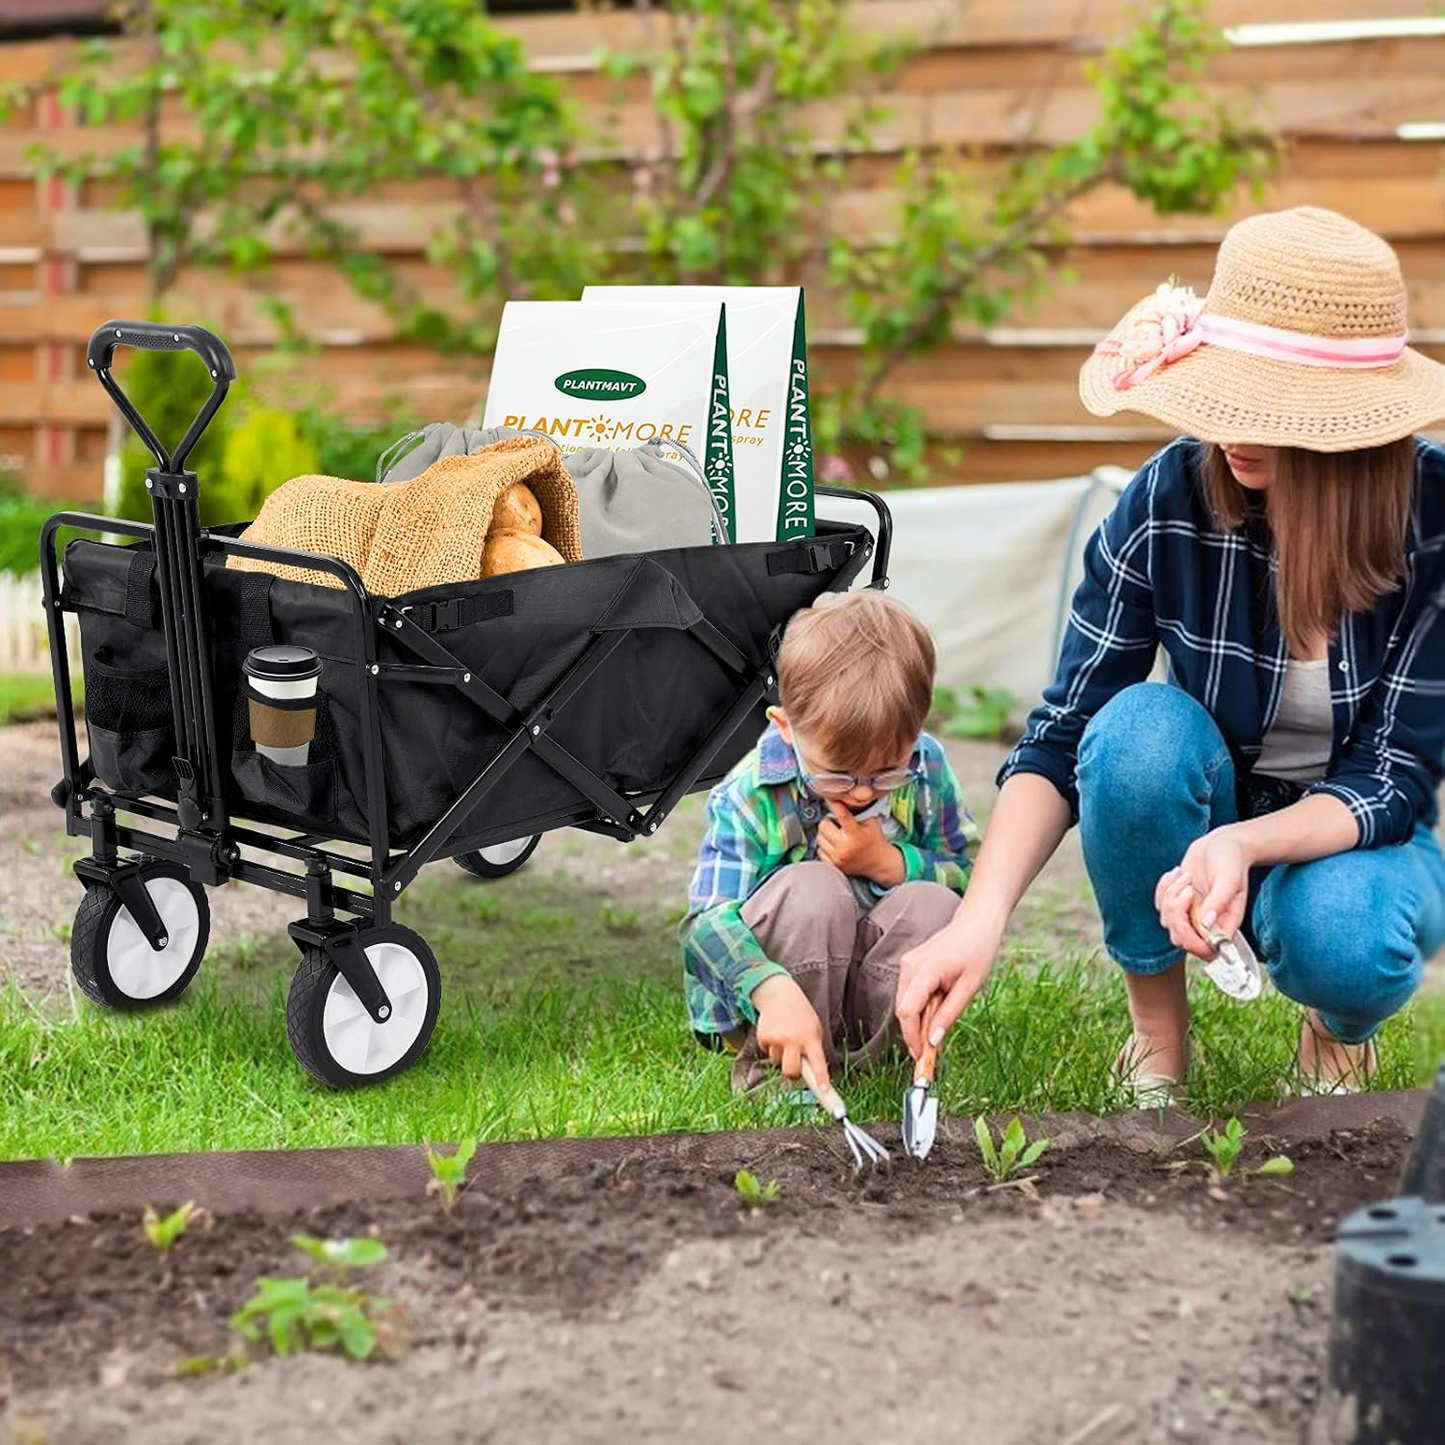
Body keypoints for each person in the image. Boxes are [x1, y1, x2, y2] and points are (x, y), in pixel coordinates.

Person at [896, 206, 1445, 1103]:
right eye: (1222, 392)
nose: (1230, 429)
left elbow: (1392, 779)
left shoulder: (1431, 519)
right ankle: (1156, 1035)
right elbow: (1061, 735)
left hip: (1354, 838)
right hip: (1209, 802)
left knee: (1348, 937)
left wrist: (1244, 842)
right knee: (1133, 730)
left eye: (1265, 402)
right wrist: (977, 918)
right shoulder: (1169, 498)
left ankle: (1337, 1030)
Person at [681, 589, 977, 1093]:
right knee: (812, 888)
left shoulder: (927, 769)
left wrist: (893, 864)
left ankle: (887, 1064)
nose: (862, 791)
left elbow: (973, 880)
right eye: (838, 774)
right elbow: (703, 927)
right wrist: (768, 987)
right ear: (786, 727)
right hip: (775, 996)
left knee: (934, 904)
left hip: (870, 983)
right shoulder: (753, 791)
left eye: (886, 772)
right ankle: (784, 1076)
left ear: (918, 730)